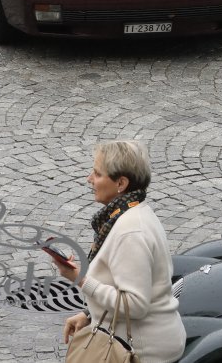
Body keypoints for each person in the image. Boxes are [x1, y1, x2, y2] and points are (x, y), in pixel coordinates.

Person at [50, 140, 186, 363]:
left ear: (121, 183)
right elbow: (123, 284)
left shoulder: (130, 231)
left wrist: (81, 279)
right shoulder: (131, 214)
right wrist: (89, 315)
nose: (89, 179)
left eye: (97, 174)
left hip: (142, 352)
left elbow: (134, 305)